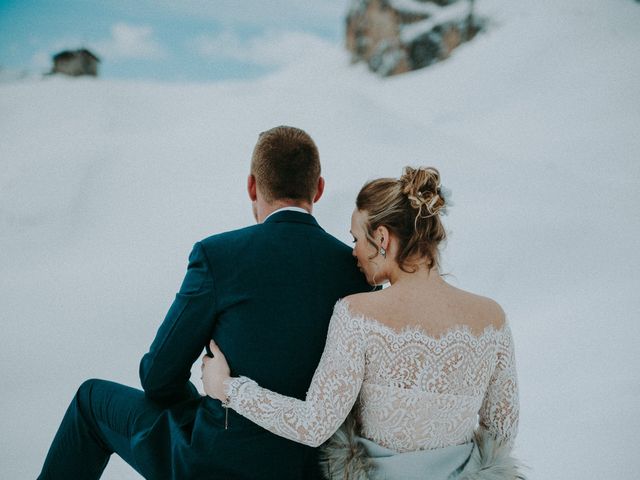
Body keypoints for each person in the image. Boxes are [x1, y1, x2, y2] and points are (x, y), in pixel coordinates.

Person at [38, 126, 372, 480]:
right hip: (312, 469)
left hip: (217, 462)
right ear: (318, 188)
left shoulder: (218, 255)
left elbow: (157, 377)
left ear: (251, 186)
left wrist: (215, 393)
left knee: (91, 401)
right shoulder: (357, 271)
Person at [202, 166, 525, 480]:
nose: (353, 252)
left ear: (382, 237)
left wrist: (228, 388)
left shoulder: (358, 313)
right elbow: (501, 432)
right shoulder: (491, 317)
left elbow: (314, 425)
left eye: (356, 238)